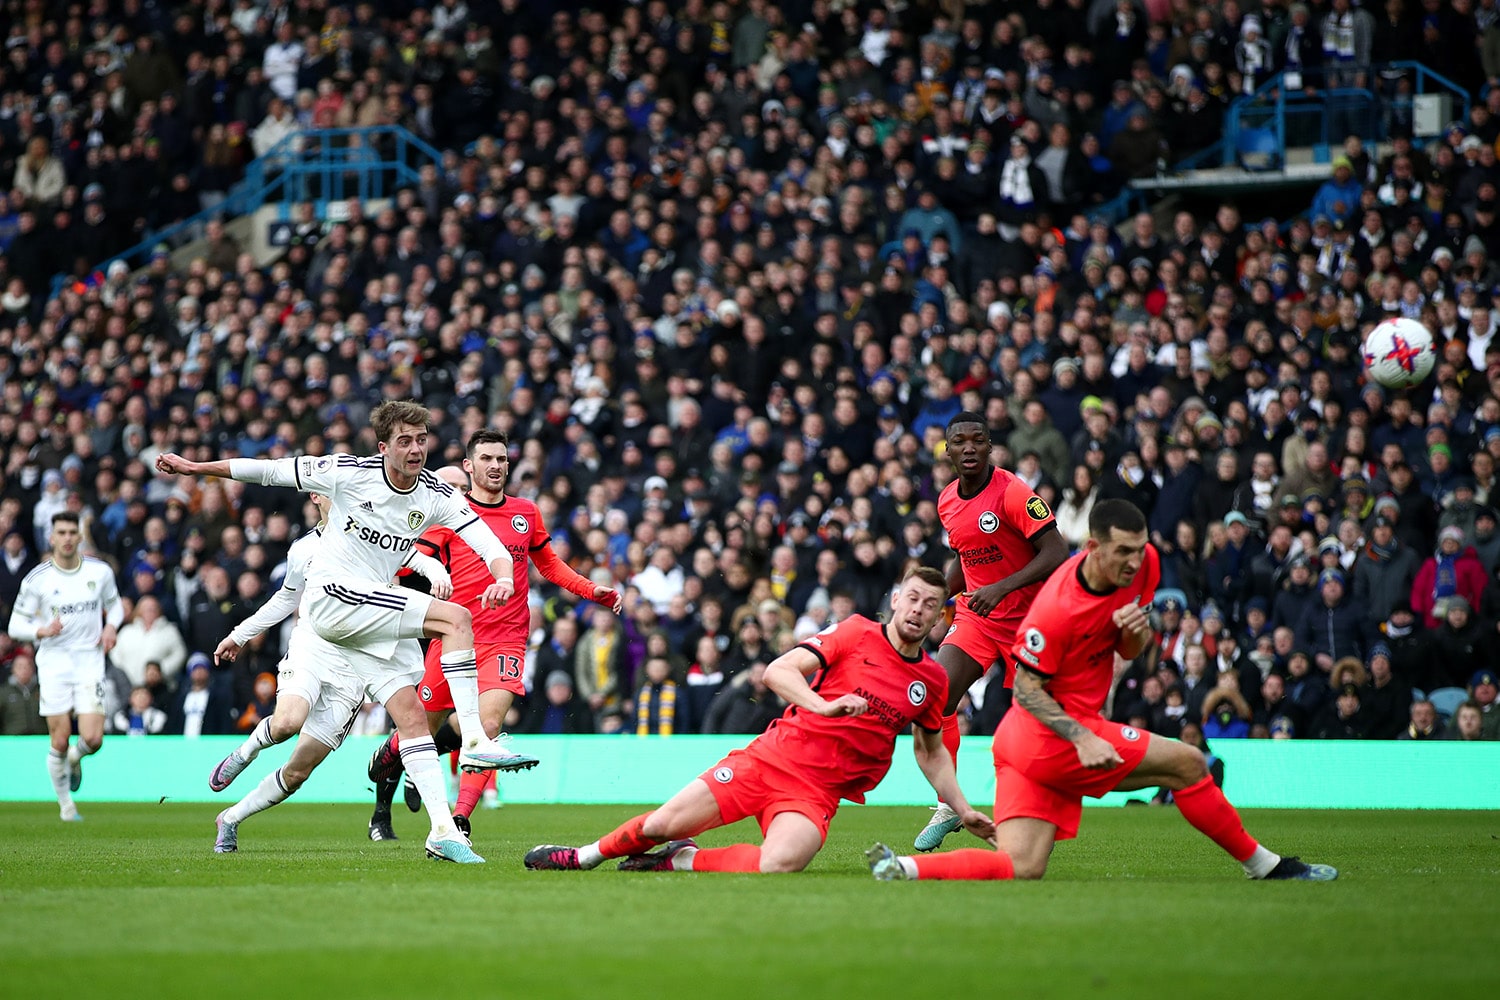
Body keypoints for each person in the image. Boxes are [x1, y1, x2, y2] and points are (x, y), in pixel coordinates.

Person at [866, 500, 1337, 882]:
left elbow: (1130, 644)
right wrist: (1082, 737)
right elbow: (1027, 689)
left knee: (1021, 865)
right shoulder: (1055, 607)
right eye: (1123, 552)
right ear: (1093, 547)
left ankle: (902, 868)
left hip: (1024, 748)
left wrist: (1134, 635)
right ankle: (1266, 867)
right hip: (1050, 738)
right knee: (1189, 764)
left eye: (1139, 549)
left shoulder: (1146, 565)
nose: (1134, 561)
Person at [154, 399, 520, 864]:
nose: (415, 450)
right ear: (383, 446)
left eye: (421, 440)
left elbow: (487, 543)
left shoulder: (436, 495)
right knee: (456, 619)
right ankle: (472, 740)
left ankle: (442, 831)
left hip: (363, 627)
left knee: (409, 717)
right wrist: (194, 468)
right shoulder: (347, 473)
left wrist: (503, 576)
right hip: (331, 603)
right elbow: (268, 471)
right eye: (404, 441)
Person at [523, 566, 994, 874]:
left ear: (939, 617)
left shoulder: (930, 680)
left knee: (780, 865)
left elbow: (930, 751)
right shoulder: (854, 633)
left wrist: (961, 806)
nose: (918, 609)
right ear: (896, 600)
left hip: (818, 792)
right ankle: (583, 857)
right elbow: (778, 671)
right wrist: (822, 706)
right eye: (912, 598)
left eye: (930, 604)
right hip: (770, 759)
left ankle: (681, 861)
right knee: (663, 822)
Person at [365, 431, 621, 840]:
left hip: (506, 640)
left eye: (502, 459)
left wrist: (593, 591)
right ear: (469, 466)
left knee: (485, 729)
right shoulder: (450, 513)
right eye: (486, 458)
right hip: (452, 638)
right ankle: (392, 752)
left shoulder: (526, 513)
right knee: (422, 729)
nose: (496, 466)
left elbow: (550, 566)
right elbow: (407, 561)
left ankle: (461, 819)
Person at [204, 491, 450, 852]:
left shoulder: (372, 535)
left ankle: (230, 818)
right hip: (314, 646)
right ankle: (246, 752)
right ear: (317, 496)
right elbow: (286, 599)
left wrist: (436, 571)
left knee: (298, 771)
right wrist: (239, 636)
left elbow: (413, 555)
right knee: (288, 721)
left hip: (355, 664)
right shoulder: (303, 549)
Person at [914, 411, 1067, 851]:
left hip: (1031, 620)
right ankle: (948, 803)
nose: (968, 448)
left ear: (989, 446)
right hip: (979, 616)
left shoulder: (1015, 493)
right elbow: (966, 558)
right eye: (958, 441)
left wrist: (1001, 587)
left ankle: (1038, 806)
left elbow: (1056, 550)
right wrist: (934, 595)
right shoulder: (946, 501)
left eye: (976, 440)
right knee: (936, 696)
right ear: (947, 450)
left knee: (1039, 719)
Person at [6, 512, 124, 821]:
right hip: (54, 663)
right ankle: (66, 806)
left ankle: (76, 756)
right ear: (52, 537)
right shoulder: (38, 579)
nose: (68, 537)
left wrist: (111, 627)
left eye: (73, 532)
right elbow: (16, 623)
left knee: (94, 739)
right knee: (58, 739)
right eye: (62, 532)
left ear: (79, 537)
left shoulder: (100, 572)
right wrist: (40, 631)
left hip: (89, 661)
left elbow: (116, 607)